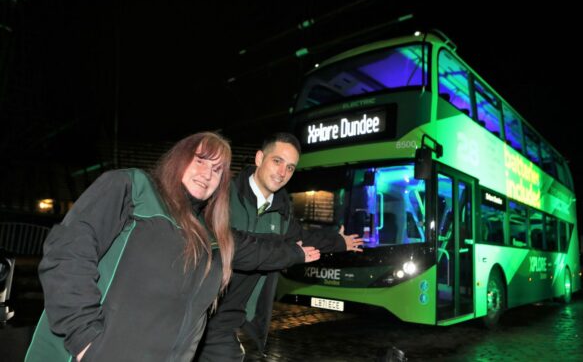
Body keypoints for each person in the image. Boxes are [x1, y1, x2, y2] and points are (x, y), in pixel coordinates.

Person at [25, 132, 320, 362]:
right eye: (200, 160)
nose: (207, 173)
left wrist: (298, 251)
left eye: (217, 169)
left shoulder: (210, 234)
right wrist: (84, 338)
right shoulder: (133, 188)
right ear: (179, 158)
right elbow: (67, 254)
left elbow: (256, 248)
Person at [197, 132, 364, 361]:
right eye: (277, 161)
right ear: (259, 158)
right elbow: (234, 246)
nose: (282, 172)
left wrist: (339, 241)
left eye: (290, 167)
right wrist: (291, 253)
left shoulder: (282, 212)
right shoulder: (223, 195)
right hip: (201, 312)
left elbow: (302, 237)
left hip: (233, 322)